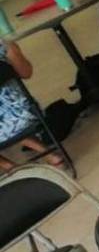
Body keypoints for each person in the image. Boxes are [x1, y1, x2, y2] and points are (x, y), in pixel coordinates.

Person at [0, 39, 62, 171]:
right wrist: (12, 49)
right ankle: (49, 154)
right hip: (27, 113)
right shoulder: (3, 46)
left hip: (6, 127)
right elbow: (26, 73)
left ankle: (12, 168)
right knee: (7, 116)